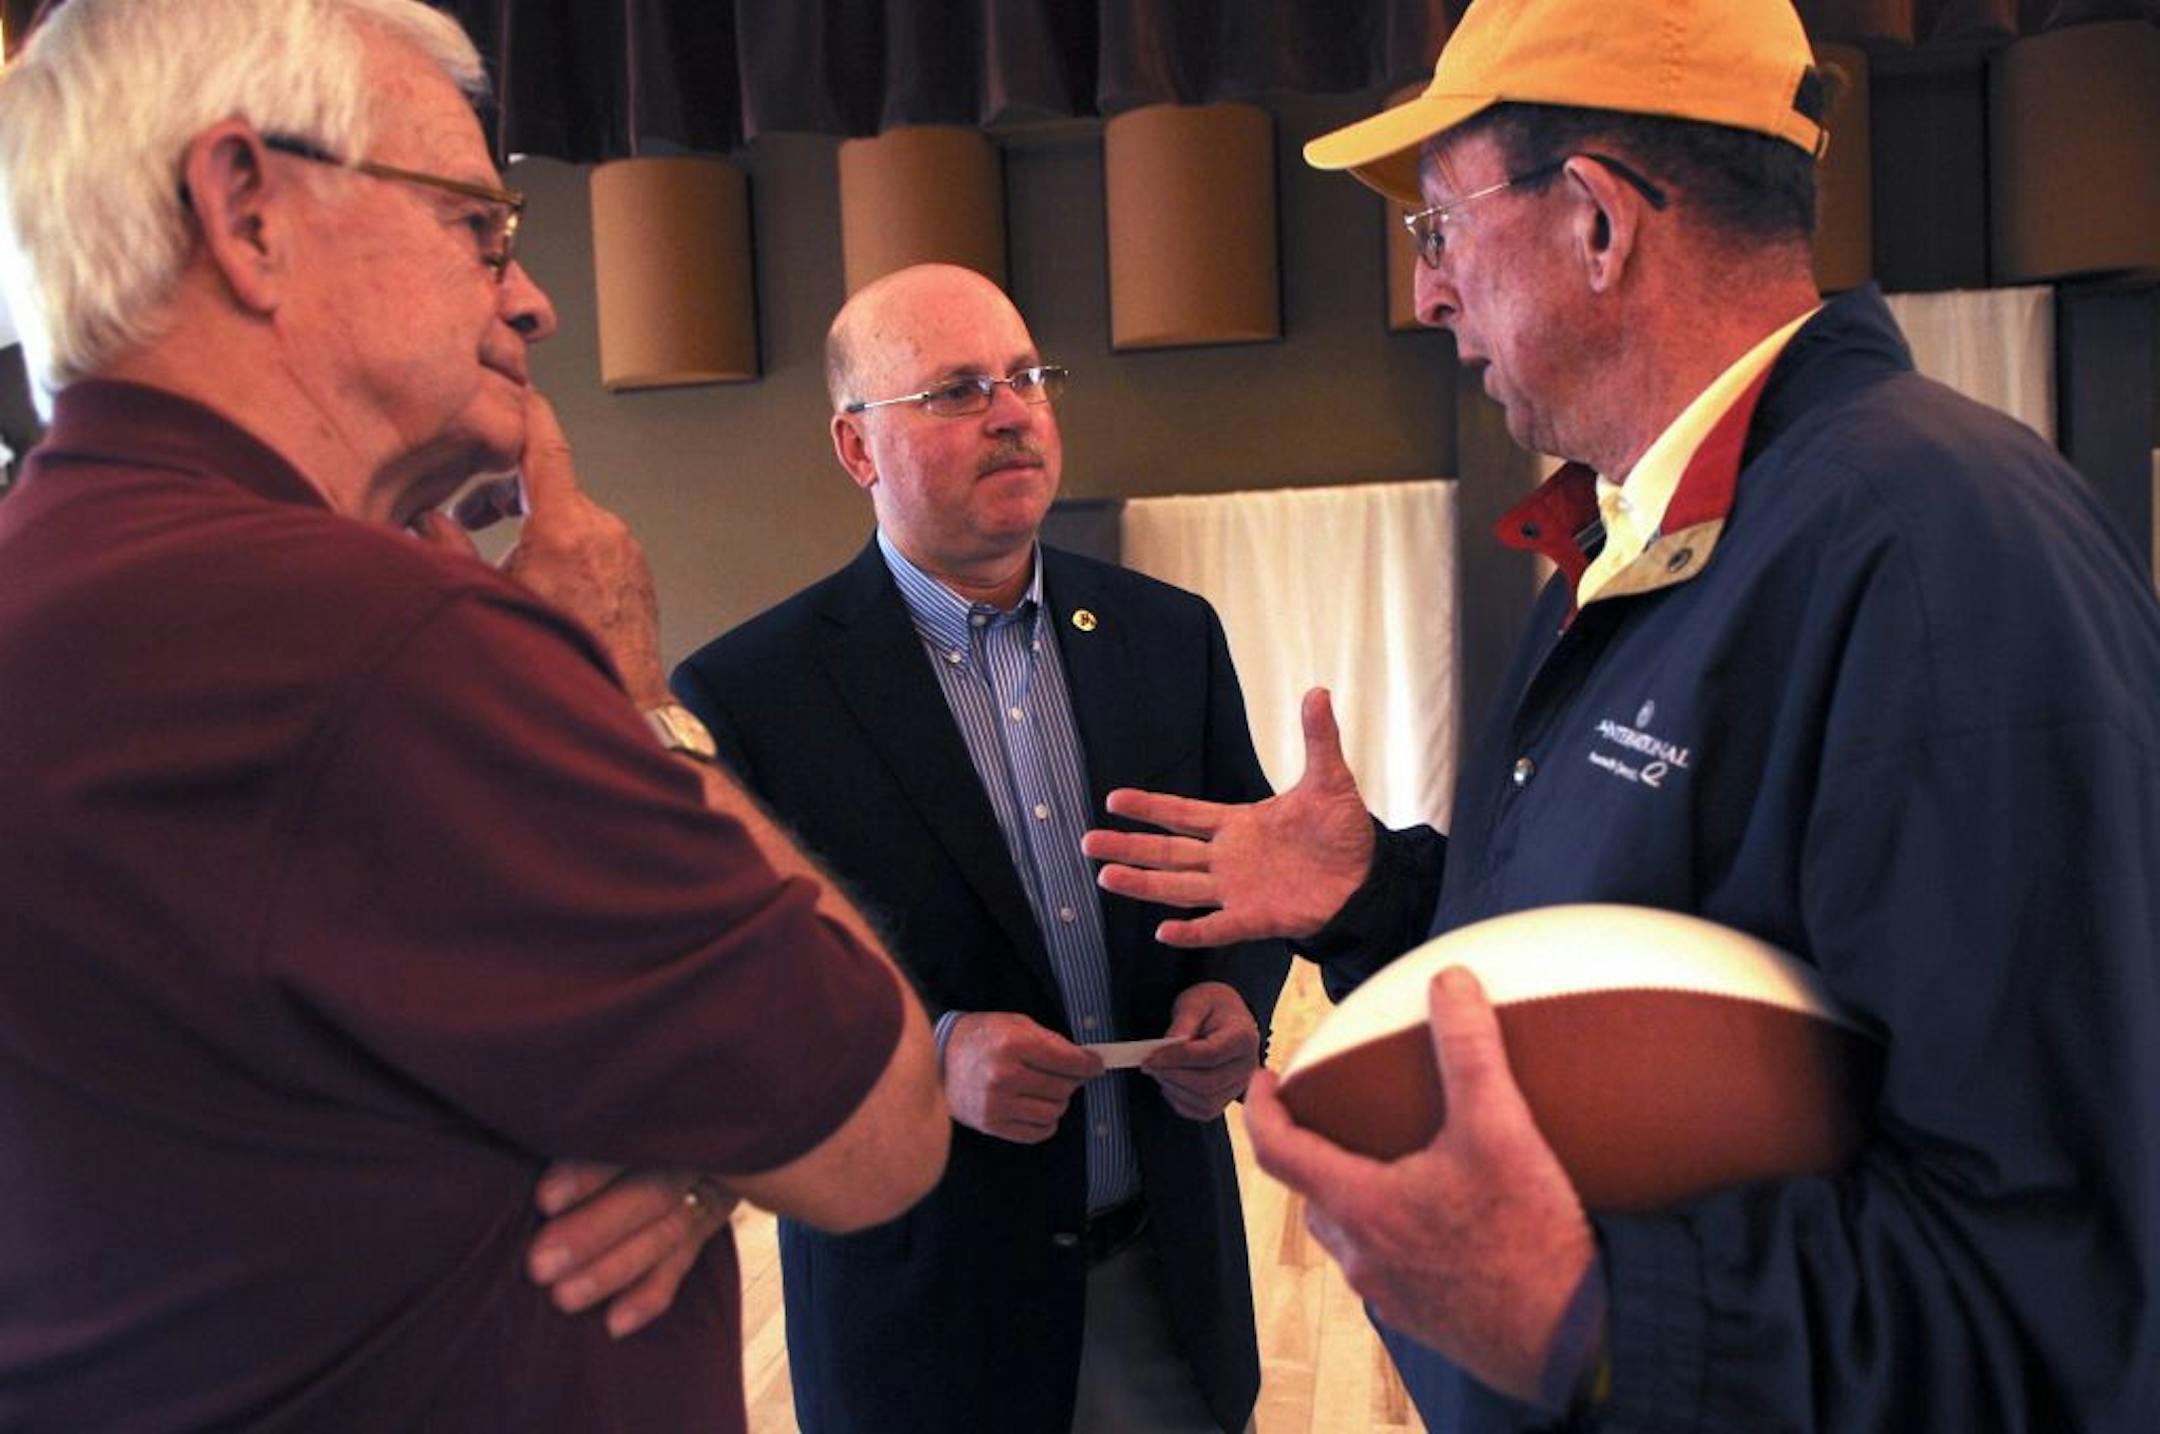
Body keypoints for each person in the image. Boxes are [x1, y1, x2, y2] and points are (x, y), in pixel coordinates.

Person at [1082, 0, 2160, 1428]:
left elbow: (2068, 1294)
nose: (1429, 293)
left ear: (1596, 222)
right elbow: (1632, 981)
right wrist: (1373, 896)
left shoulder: (1931, 556)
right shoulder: (1649, 533)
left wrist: (1579, 1310)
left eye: (1439, 227)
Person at [0, 1, 948, 1428]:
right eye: (477, 225)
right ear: (247, 209)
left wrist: (695, 1147)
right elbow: (880, 1120)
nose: (531, 299)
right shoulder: (379, 642)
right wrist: (625, 693)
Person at [670, 262, 1291, 1433]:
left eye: (1026, 377)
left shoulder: (1169, 637)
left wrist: (1232, 999)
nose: (1014, 412)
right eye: (957, 391)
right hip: (925, 1324)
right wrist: (930, 1055)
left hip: (1166, 1282)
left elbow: (1242, 873)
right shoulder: (753, 695)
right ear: (857, 449)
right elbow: (737, 1007)